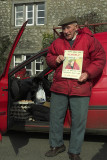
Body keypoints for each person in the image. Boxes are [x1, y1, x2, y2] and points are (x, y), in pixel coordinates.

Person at [45, 16, 106, 160]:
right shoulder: (57, 42)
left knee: (78, 121)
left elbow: (100, 59)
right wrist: (56, 59)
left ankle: (74, 151)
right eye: (63, 29)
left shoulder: (89, 39)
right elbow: (49, 57)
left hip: (80, 86)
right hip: (60, 86)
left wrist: (88, 73)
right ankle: (56, 145)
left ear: (76, 27)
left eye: (68, 28)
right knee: (55, 119)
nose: (65, 31)